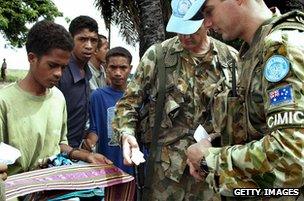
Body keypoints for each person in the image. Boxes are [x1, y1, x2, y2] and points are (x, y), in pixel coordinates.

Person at [111, 0, 238, 200]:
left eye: (192, 29)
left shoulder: (230, 60)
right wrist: (126, 133)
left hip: (210, 172)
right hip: (164, 177)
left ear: (206, 20)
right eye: (181, 29)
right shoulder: (158, 57)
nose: (186, 36)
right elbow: (128, 104)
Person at [185, 0, 304, 200]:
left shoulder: (281, 47)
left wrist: (209, 159)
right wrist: (211, 145)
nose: (206, 23)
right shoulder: (253, 52)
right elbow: (258, 128)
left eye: (209, 11)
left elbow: (291, 155)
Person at [0, 20, 111, 177]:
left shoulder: (58, 98)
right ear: (32, 58)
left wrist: (86, 156)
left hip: (52, 186)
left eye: (64, 67)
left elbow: (60, 145)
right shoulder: (4, 102)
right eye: (52, 65)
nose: (59, 73)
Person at [82, 47, 134, 175]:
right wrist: (90, 141)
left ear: (130, 69)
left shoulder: (137, 96)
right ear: (106, 68)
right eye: (113, 67)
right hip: (108, 164)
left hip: (134, 166)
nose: (118, 73)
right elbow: (94, 128)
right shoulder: (97, 96)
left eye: (123, 68)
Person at [57, 15, 99, 148]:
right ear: (71, 39)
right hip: (58, 150)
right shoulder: (60, 73)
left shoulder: (87, 73)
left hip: (77, 148)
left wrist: (90, 133)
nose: (89, 46)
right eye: (82, 39)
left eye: (93, 40)